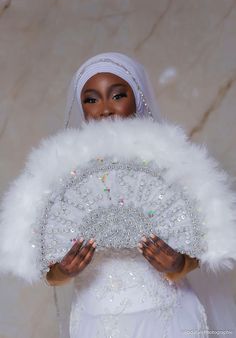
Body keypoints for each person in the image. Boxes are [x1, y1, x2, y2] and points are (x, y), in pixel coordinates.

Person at [45, 52, 213, 338]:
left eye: (118, 95)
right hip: (94, 320)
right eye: (91, 99)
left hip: (167, 317)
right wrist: (64, 269)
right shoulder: (64, 171)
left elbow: (206, 243)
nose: (105, 109)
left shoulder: (170, 161)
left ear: (138, 98)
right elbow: (48, 268)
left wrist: (177, 264)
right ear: (81, 107)